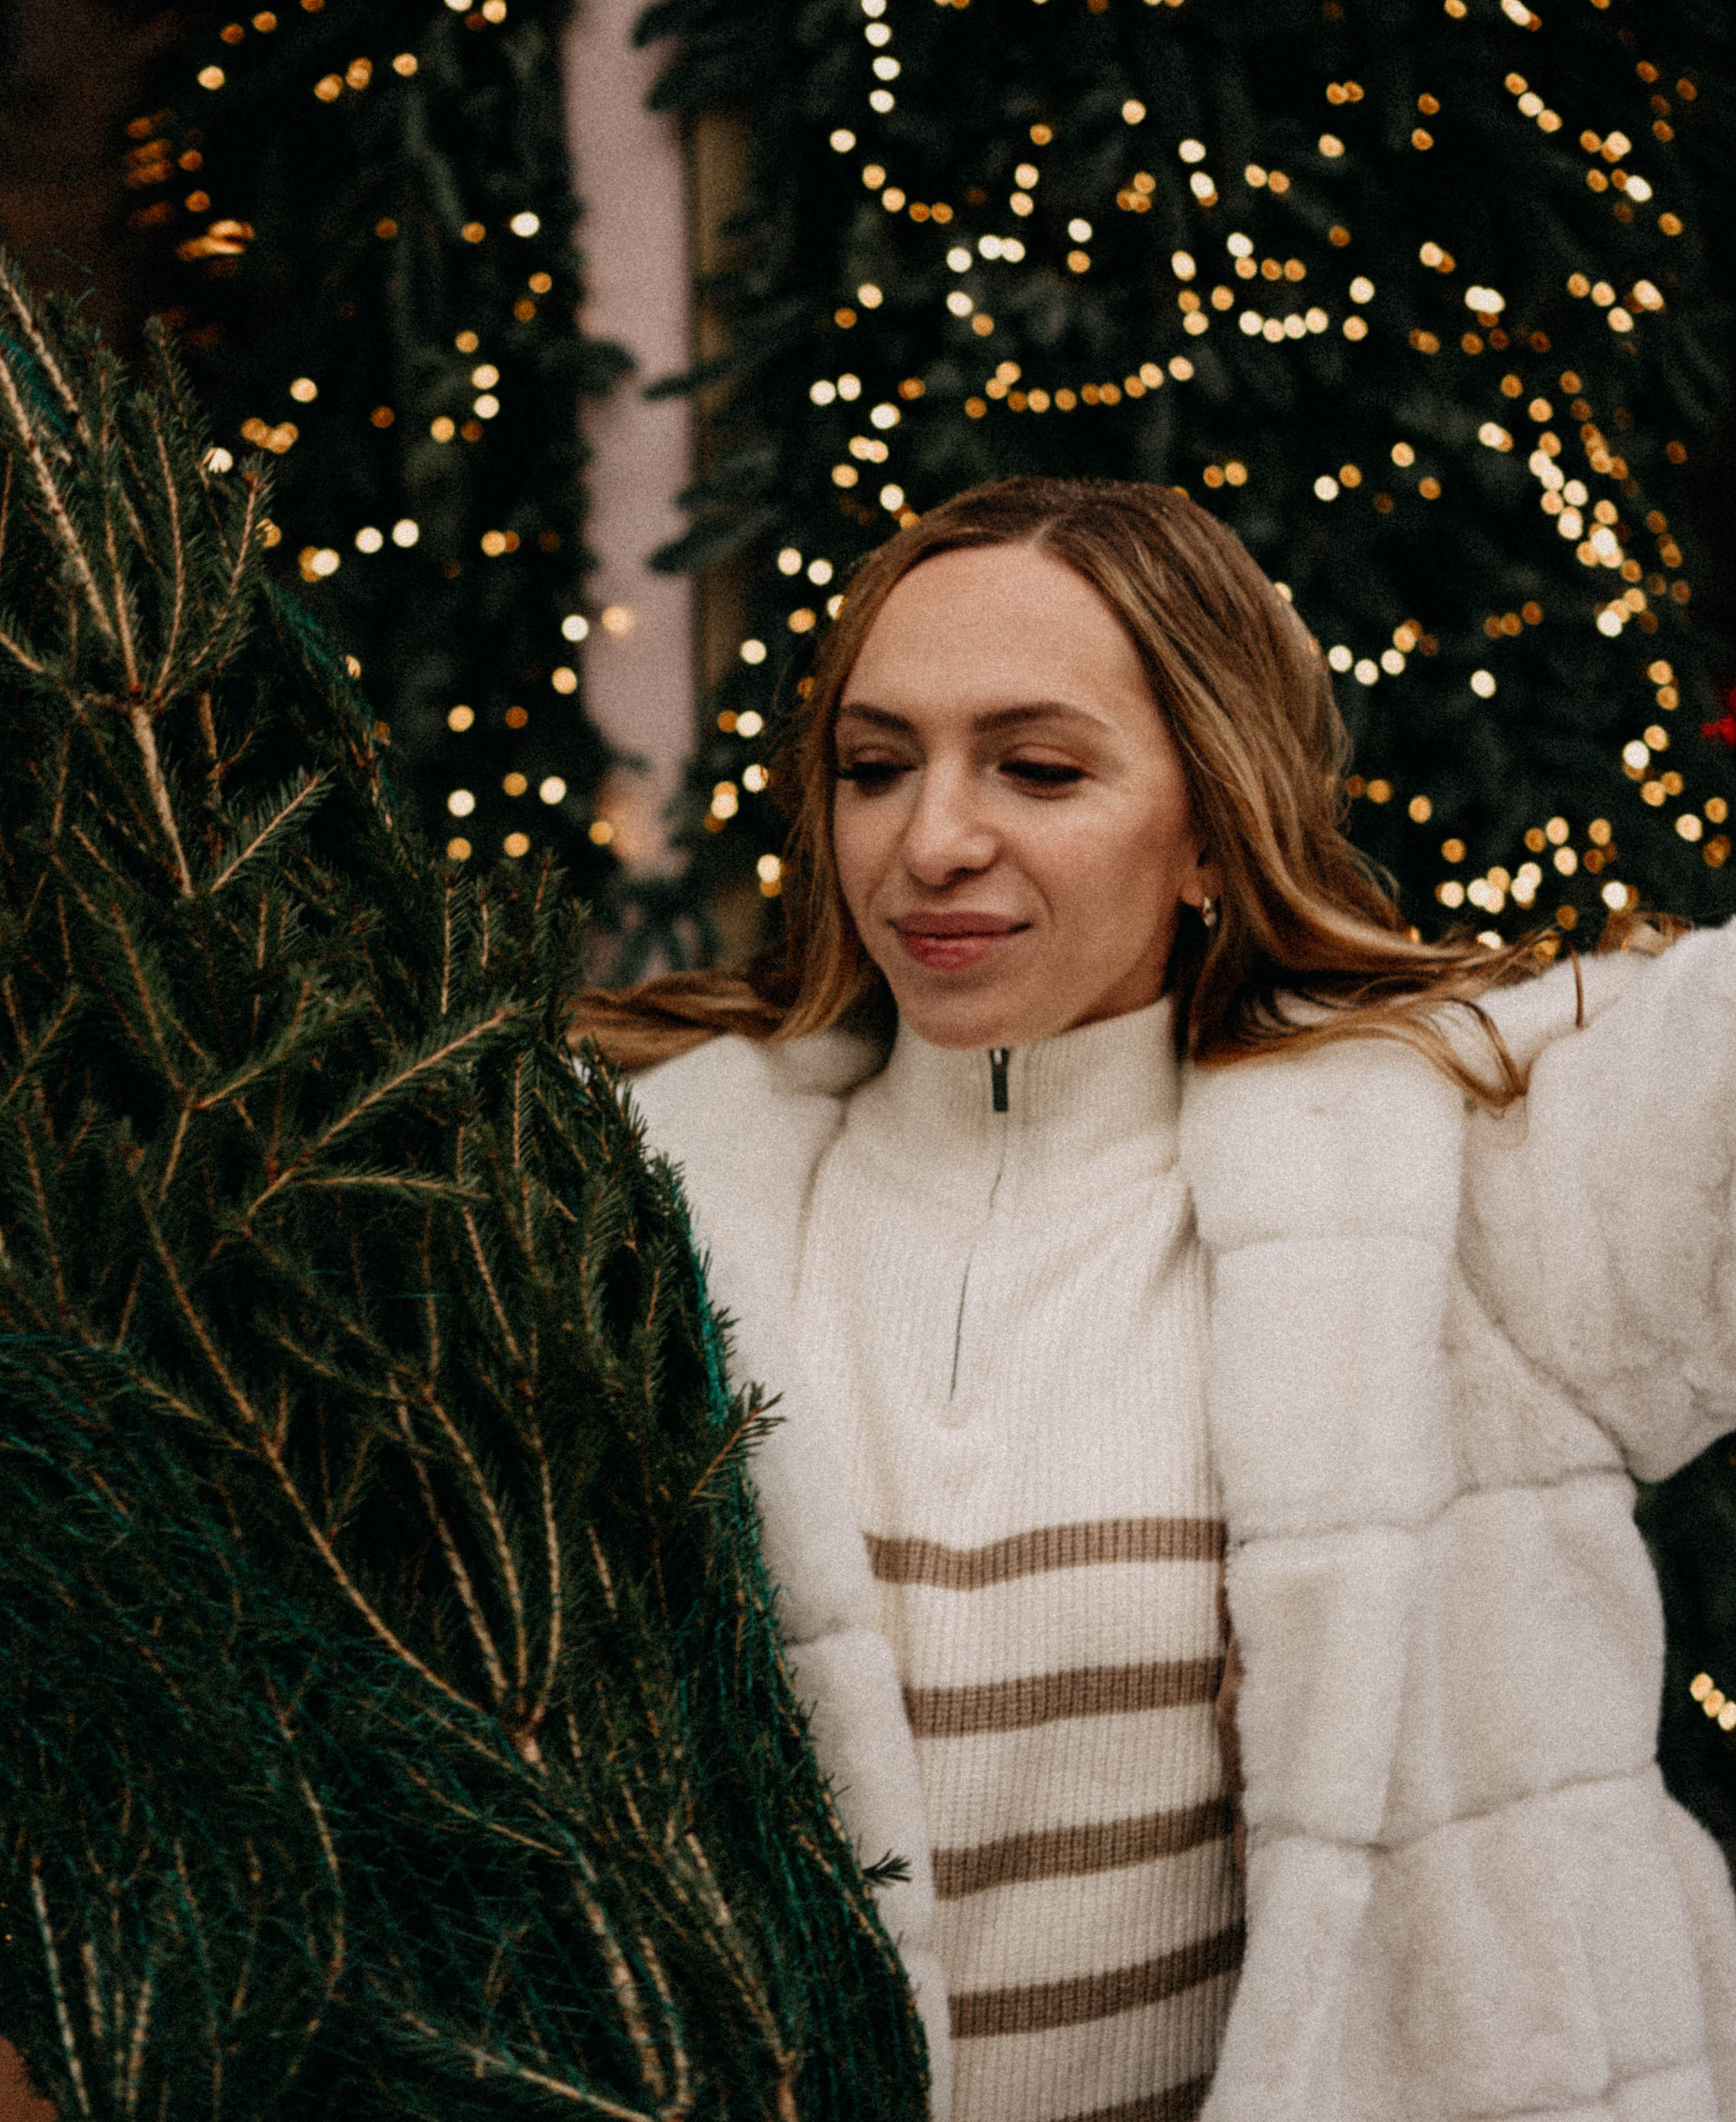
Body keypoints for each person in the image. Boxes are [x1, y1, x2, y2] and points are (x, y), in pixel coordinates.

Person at [586, 474, 1736, 2122]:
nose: (931, 841)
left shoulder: (1458, 1174)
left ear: (1206, 819)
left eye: (1035, 768)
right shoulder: (645, 1202)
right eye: (874, 766)